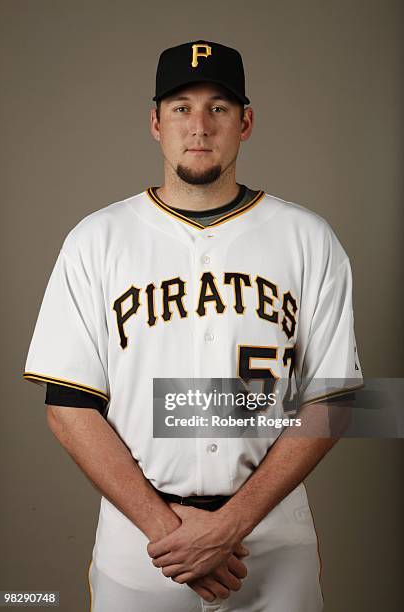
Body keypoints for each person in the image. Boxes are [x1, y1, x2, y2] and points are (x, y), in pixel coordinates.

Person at [23, 40, 364, 611]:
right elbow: (67, 404)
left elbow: (333, 400)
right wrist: (166, 528)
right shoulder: (96, 240)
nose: (199, 125)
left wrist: (231, 525)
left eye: (219, 108)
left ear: (246, 122)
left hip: (272, 540)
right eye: (181, 107)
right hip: (142, 542)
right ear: (155, 123)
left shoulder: (308, 238)